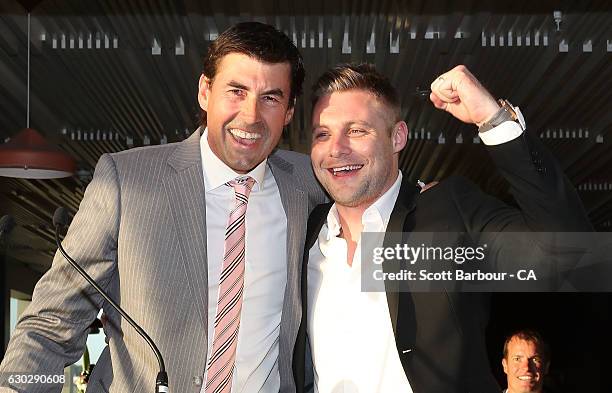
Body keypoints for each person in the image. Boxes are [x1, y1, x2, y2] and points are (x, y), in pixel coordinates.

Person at [0, 22, 326, 393]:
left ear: (288, 112)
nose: (251, 116)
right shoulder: (127, 180)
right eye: (236, 91)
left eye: (270, 98)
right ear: (205, 91)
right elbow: (51, 325)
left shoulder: (311, 185)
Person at [292, 63, 592, 392]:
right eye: (323, 134)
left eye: (357, 130)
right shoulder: (307, 231)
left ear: (397, 137)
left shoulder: (446, 212)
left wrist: (491, 119)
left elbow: (570, 255)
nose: (336, 148)